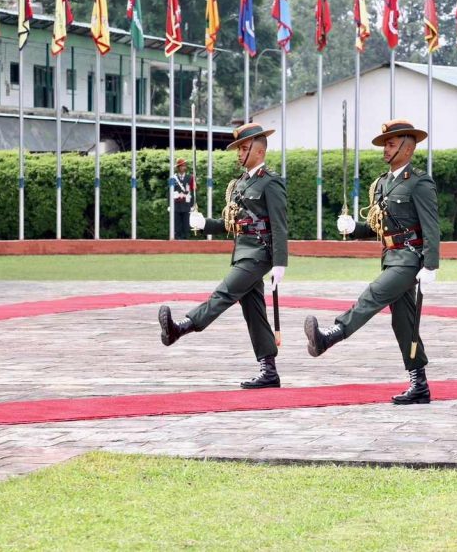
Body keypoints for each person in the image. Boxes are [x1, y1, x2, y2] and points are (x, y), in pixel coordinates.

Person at [304, 119, 441, 405]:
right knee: (404, 324)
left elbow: (431, 227)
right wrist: (354, 228)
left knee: (373, 294)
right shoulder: (381, 183)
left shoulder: (419, 183)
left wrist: (431, 264)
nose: (385, 150)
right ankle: (420, 385)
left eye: (391, 144)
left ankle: (330, 335)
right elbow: (378, 227)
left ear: (408, 146)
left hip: (410, 259)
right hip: (390, 258)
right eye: (385, 145)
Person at [158, 123, 288, 389]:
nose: (239, 153)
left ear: (259, 150)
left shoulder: (270, 182)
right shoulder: (241, 183)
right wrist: (204, 224)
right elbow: (233, 223)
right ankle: (269, 371)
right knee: (254, 311)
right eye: (238, 149)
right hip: (242, 252)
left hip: (259, 254)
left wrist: (279, 263)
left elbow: (279, 225)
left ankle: (181, 327)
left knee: (224, 293)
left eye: (243, 148)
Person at [171, 158, 195, 240]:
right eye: (181, 166)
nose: (183, 167)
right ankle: (178, 239)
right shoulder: (174, 178)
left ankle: (186, 239)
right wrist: (169, 205)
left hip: (186, 204)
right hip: (176, 204)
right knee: (177, 225)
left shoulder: (190, 178)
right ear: (178, 168)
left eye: (184, 166)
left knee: (186, 224)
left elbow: (193, 192)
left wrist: (192, 205)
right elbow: (169, 192)